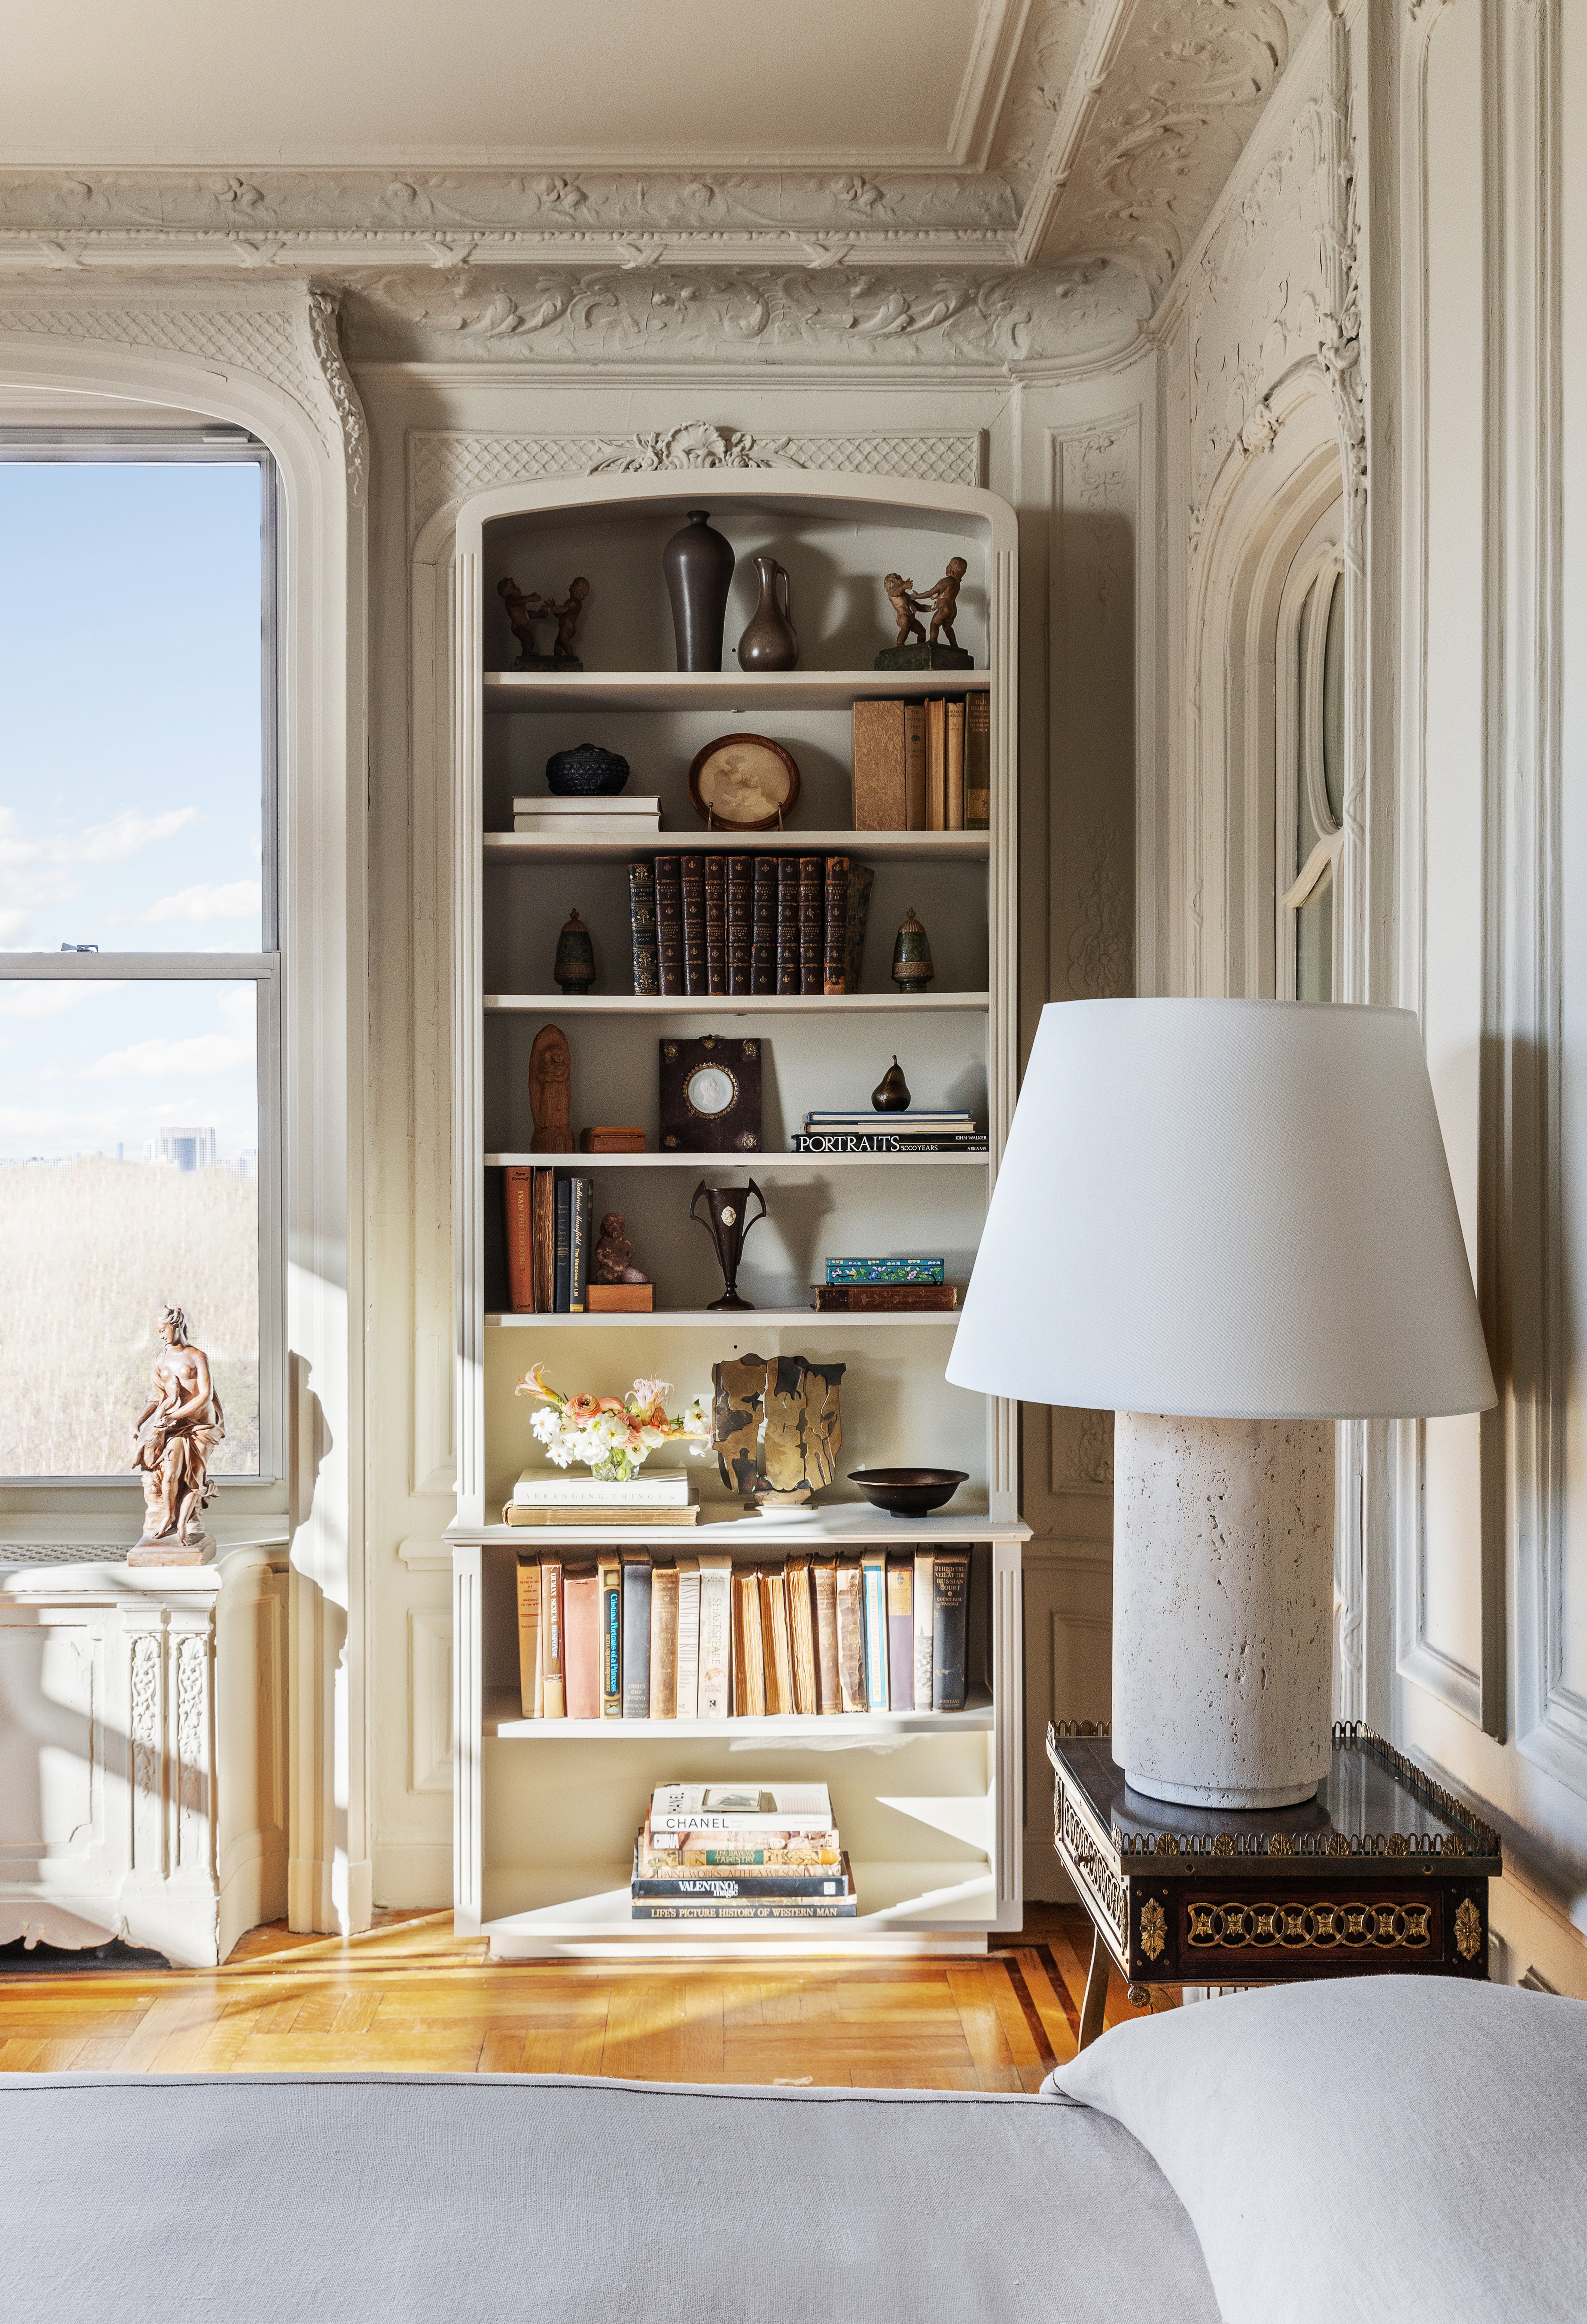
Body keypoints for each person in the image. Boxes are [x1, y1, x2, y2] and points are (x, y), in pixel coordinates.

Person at [131, 1304, 225, 1546]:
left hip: (201, 1425)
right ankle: (168, 1517)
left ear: (177, 1326)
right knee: (171, 1473)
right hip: (175, 1426)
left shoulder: (197, 1356)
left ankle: (184, 1525)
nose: (161, 1336)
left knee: (195, 1478)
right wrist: (139, 1422)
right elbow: (156, 1396)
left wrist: (175, 1415)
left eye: (164, 1330)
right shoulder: (160, 1360)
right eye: (158, 1331)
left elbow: (205, 1395)